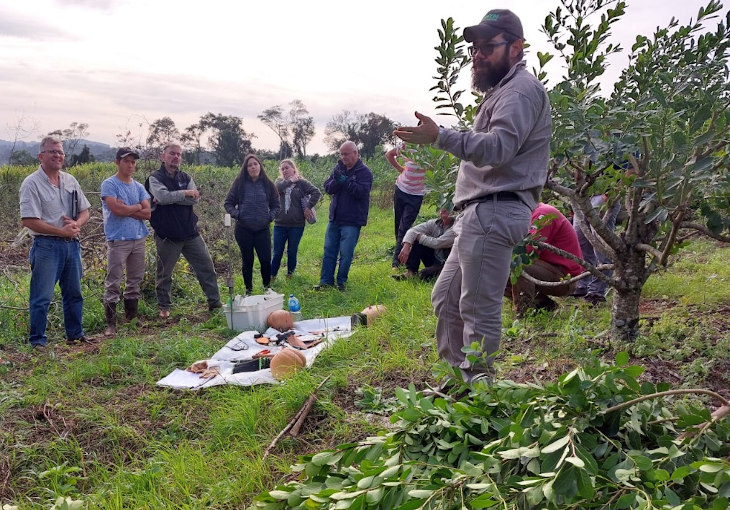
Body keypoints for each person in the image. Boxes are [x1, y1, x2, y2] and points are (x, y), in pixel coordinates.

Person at [394, 9, 552, 383]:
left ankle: (479, 395)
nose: (478, 55)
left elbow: (498, 149)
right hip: (478, 215)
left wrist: (441, 136)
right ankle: (458, 383)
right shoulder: (503, 92)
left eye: (488, 47)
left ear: (516, 48)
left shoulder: (520, 91)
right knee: (446, 300)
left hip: (496, 211)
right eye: (475, 48)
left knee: (477, 310)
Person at [19, 136, 92, 349]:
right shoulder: (31, 183)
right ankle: (38, 341)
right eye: (52, 151)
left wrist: (77, 224)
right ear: (41, 156)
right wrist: (60, 231)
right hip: (46, 246)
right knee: (42, 296)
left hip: (72, 244)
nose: (58, 155)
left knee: (74, 293)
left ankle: (75, 335)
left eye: (60, 152)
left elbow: (85, 211)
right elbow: (29, 220)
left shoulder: (70, 181)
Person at [146, 143, 222, 318]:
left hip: (190, 232)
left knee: (206, 267)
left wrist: (173, 196)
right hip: (167, 234)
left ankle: (215, 303)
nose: (176, 157)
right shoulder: (154, 178)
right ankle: (164, 307)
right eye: (172, 154)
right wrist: (184, 193)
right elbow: (163, 197)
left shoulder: (185, 177)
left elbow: (193, 200)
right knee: (164, 273)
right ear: (163, 156)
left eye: (179, 155)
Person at [100, 148, 151, 336]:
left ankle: (132, 318)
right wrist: (136, 207)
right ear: (117, 162)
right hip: (118, 239)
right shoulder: (110, 184)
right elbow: (116, 210)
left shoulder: (138, 187)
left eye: (133, 162)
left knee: (134, 280)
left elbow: (147, 213)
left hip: (138, 238)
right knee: (114, 280)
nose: (130, 165)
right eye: (126, 161)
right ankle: (111, 324)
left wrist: (130, 207)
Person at [505, 203, 583, 316]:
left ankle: (523, 312)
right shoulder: (525, 215)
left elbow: (527, 251)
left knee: (517, 263)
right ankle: (543, 305)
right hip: (549, 270)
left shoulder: (543, 214)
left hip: (566, 278)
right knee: (495, 269)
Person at [316, 141, 373, 291]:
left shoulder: (364, 172)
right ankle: (325, 282)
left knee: (346, 253)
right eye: (341, 154)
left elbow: (361, 192)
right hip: (335, 218)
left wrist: (345, 182)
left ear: (355, 153)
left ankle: (341, 282)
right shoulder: (338, 167)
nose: (343, 157)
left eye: (346, 154)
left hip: (352, 220)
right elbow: (328, 188)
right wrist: (336, 180)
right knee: (329, 250)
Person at [224, 154, 280, 295]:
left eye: (255, 164)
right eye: (249, 165)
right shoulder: (239, 184)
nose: (253, 167)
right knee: (247, 260)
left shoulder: (268, 184)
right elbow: (228, 203)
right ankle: (248, 290)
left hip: (262, 229)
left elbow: (276, 205)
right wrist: (238, 215)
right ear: (246, 169)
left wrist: (270, 217)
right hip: (244, 229)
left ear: (260, 166)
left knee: (265, 260)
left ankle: (267, 288)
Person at [270, 159, 321, 279]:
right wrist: (290, 181)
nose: (284, 170)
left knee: (292, 251)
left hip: (296, 225)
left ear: (294, 168)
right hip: (280, 224)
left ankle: (290, 275)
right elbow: (276, 188)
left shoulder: (302, 183)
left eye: (287, 168)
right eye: (282, 169)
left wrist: (309, 207)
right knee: (277, 252)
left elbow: (316, 192)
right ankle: (272, 276)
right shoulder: (279, 182)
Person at [572, 194, 621, 305]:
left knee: (602, 248)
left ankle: (596, 292)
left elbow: (631, 175)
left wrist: (611, 194)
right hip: (584, 196)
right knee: (581, 244)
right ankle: (582, 285)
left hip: (602, 196)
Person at [385, 144, 427, 268]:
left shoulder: (432, 151)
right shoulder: (407, 146)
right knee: (398, 225)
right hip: (401, 189)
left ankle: (396, 263)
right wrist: (399, 168)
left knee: (405, 226)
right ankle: (402, 255)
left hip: (416, 194)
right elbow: (389, 154)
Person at [393, 209, 456, 281]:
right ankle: (411, 272)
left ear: (453, 210)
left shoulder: (457, 227)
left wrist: (419, 236)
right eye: (441, 207)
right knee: (417, 241)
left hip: (447, 263)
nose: (443, 209)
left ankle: (436, 273)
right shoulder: (434, 223)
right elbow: (412, 231)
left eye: (447, 207)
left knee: (424, 274)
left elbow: (437, 243)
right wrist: (406, 245)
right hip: (435, 258)